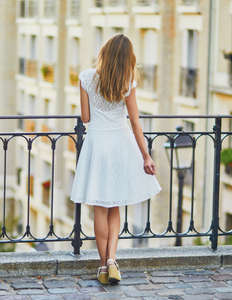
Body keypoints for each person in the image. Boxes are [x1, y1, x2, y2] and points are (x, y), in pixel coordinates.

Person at [69, 34, 162, 285]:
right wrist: (146, 155)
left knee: (100, 206)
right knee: (115, 207)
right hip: (121, 145)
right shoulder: (127, 81)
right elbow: (135, 122)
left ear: (104, 53)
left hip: (97, 144)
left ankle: (102, 266)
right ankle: (112, 261)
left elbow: (85, 118)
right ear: (127, 59)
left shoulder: (87, 78)